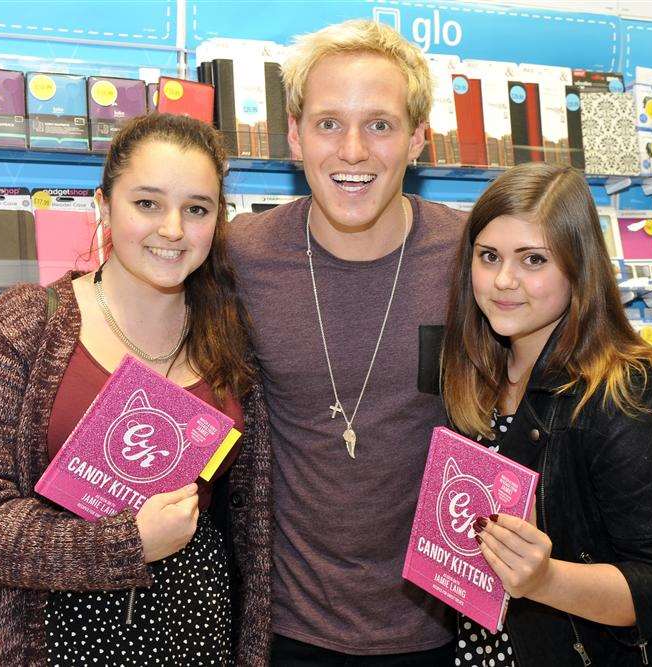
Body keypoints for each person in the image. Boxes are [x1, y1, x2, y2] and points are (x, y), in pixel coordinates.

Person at [0, 113, 271, 666]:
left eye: (197, 209)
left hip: (197, 632)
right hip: (44, 633)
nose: (173, 229)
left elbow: (250, 529)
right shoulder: (27, 325)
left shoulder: (229, 338)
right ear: (104, 206)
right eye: (148, 203)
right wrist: (127, 544)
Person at [226, 19, 464, 664]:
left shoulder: (474, 255)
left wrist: (648, 375)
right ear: (296, 137)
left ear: (419, 139)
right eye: (329, 123)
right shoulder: (236, 257)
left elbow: (570, 331)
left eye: (380, 125)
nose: (353, 151)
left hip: (442, 621)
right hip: (283, 629)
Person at [440, 162, 652, 666]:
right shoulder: (471, 369)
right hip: (494, 647)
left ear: (578, 267)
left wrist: (545, 579)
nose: (503, 280)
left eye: (533, 260)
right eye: (488, 256)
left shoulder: (627, 391)